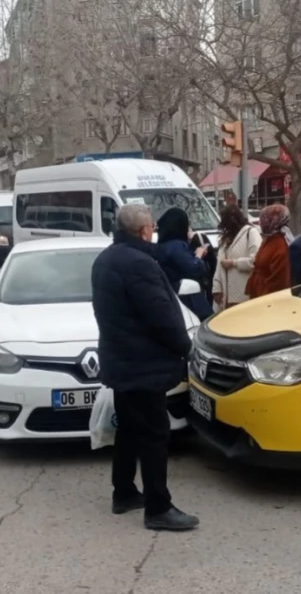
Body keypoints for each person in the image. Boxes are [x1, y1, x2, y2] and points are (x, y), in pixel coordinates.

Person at [91, 203, 200, 532]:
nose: (153, 230)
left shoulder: (106, 258)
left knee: (128, 429)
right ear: (143, 230)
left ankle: (123, 492)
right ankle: (158, 507)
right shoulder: (139, 263)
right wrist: (186, 348)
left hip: (123, 361)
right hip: (143, 365)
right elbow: (161, 316)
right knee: (154, 435)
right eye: (151, 226)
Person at [155, 208, 214, 320]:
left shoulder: (163, 245)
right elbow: (194, 269)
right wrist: (198, 256)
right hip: (189, 301)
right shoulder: (176, 246)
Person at [212, 204, 261, 310]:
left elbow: (256, 261)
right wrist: (217, 288)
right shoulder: (226, 239)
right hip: (226, 299)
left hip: (244, 297)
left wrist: (234, 263)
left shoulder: (251, 233)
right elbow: (219, 265)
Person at [244, 204, 293, 299]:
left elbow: (279, 281)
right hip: (260, 294)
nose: (261, 223)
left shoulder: (280, 244)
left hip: (268, 299)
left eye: (264, 220)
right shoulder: (269, 239)